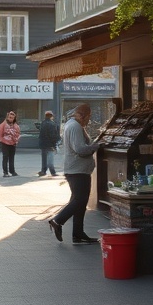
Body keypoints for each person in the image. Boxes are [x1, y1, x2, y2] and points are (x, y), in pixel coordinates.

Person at [48, 104, 102, 244]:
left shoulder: (73, 125)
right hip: (77, 170)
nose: (88, 121)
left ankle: (78, 233)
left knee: (80, 201)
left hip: (78, 169)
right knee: (79, 199)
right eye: (88, 117)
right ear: (82, 115)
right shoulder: (75, 126)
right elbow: (80, 149)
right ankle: (58, 220)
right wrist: (96, 146)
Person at [0, 110, 21, 177]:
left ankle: (12, 171)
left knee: (12, 158)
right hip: (5, 143)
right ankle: (5, 172)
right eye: (10, 117)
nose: (11, 119)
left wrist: (16, 140)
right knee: (5, 158)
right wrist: (2, 140)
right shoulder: (3, 125)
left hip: (13, 143)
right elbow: (0, 134)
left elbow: (18, 133)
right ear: (7, 117)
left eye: (12, 117)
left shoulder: (16, 126)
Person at [37, 111, 60, 177]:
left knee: (44, 159)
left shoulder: (43, 123)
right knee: (50, 159)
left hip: (43, 144)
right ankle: (53, 172)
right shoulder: (53, 124)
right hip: (50, 144)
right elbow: (54, 135)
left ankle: (43, 171)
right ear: (51, 116)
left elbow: (41, 134)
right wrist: (55, 144)